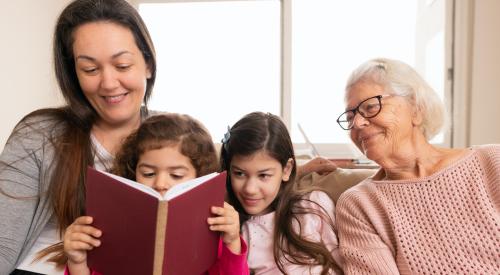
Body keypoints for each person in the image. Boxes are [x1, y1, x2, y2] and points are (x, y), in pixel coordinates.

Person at [0, 0, 157, 274]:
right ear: (74, 74)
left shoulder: (173, 137)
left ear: (148, 65)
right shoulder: (39, 134)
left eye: (122, 65)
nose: (108, 83)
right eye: (90, 70)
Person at [335, 57, 500, 274]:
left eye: (370, 107)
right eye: (349, 117)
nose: (357, 123)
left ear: (416, 109)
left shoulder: (492, 162)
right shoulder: (359, 204)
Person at [63, 113, 249, 275]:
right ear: (133, 170)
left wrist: (232, 241)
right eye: (148, 173)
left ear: (199, 177)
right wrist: (77, 262)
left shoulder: (213, 229)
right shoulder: (113, 228)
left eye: (176, 175)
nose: (160, 184)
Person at [220, 112, 344, 275]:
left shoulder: (313, 205)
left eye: (263, 175)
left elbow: (342, 265)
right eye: (239, 174)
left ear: (287, 169)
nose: (250, 189)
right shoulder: (234, 230)